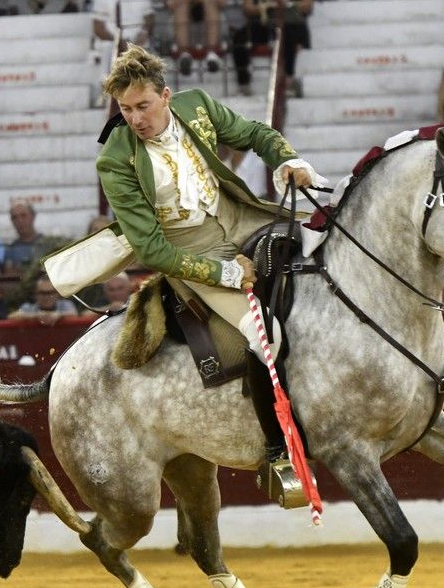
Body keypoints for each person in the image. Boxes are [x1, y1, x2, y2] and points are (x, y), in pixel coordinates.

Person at [61, 44, 322, 477]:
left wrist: (288, 159)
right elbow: (151, 250)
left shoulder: (196, 105)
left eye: (142, 106)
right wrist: (226, 271)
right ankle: (278, 454)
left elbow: (255, 133)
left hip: (243, 218)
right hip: (191, 252)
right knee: (266, 336)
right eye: (125, 110)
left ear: (165, 96)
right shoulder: (115, 158)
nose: (135, 119)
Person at [232, 0, 312, 96]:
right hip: (264, 22)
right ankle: (244, 82)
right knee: (239, 38)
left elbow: (308, 3)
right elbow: (247, 7)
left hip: (291, 22)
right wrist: (264, 6)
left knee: (287, 34)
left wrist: (289, 4)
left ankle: (289, 78)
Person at [10, 273, 77, 325]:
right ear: (35, 294)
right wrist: (35, 316)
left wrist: (59, 315)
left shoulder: (65, 305)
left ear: (57, 294)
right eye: (42, 293)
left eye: (50, 293)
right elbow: (12, 316)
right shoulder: (29, 307)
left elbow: (75, 314)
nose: (46, 297)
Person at [3, 200, 50, 273]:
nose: (20, 220)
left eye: (23, 215)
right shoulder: (10, 250)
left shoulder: (48, 244)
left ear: (33, 216)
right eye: (15, 217)